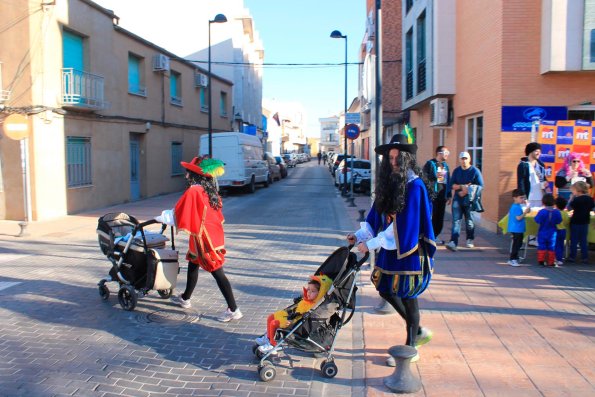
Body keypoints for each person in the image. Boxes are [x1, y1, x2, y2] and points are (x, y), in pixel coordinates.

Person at [346, 132, 435, 365]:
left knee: (408, 297)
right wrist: (358, 237)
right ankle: (417, 330)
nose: (393, 162)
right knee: (386, 290)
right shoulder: (389, 184)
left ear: (407, 159)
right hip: (390, 250)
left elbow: (404, 228)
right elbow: (376, 217)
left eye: (397, 158)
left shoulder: (415, 187)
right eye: (390, 158)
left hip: (409, 251)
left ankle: (411, 347)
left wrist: (371, 244)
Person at [155, 156, 243, 322]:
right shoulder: (208, 189)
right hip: (210, 234)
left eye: (188, 172)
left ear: (194, 174)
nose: (186, 175)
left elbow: (178, 213)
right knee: (193, 263)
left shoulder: (194, 190)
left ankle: (234, 309)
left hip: (205, 238)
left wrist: (161, 217)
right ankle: (186, 298)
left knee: (217, 272)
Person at [255, 275, 333, 354]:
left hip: (296, 323)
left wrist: (291, 319)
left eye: (313, 291)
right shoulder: (306, 301)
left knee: (274, 323)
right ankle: (268, 338)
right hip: (293, 318)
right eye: (308, 289)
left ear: (320, 293)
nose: (309, 292)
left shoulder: (314, 306)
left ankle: (272, 345)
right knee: (271, 317)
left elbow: (302, 315)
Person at [445, 152, 484, 251]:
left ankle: (470, 239)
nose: (464, 160)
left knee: (470, 221)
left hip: (470, 200)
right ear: (459, 160)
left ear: (469, 159)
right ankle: (453, 242)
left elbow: (481, 186)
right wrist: (462, 187)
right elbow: (451, 184)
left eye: (466, 158)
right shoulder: (457, 171)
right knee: (456, 221)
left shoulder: (475, 171)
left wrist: (468, 189)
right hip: (457, 200)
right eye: (462, 158)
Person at [423, 146, 452, 245]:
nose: (447, 154)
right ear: (439, 153)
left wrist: (449, 195)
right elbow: (423, 178)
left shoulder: (445, 166)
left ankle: (435, 235)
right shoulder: (430, 164)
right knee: (432, 217)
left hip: (442, 196)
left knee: (439, 218)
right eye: (446, 152)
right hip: (433, 196)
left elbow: (447, 181)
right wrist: (434, 176)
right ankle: (430, 237)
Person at [566, 181, 595, 264]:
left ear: (578, 190)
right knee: (583, 240)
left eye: (573, 191)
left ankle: (572, 257)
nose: (573, 192)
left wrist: (571, 199)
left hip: (575, 222)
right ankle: (584, 258)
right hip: (585, 222)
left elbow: (569, 208)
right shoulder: (589, 199)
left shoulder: (576, 199)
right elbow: (592, 208)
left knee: (574, 240)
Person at [534, 193, 562, 267]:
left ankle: (541, 261)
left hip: (542, 231)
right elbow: (559, 221)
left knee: (542, 246)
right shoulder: (557, 212)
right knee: (551, 247)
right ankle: (551, 262)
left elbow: (536, 220)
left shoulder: (542, 212)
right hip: (552, 232)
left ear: (543, 202)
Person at [517, 142, 549, 208]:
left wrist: (545, 182)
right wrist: (523, 197)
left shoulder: (541, 165)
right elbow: (520, 182)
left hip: (540, 198)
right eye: (536, 151)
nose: (539, 153)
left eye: (540, 151)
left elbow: (543, 179)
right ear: (530, 151)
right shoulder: (523, 165)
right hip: (528, 198)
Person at [507, 189, 531, 267]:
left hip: (518, 228)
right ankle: (512, 259)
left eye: (523, 198)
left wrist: (527, 206)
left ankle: (515, 257)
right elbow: (518, 218)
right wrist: (525, 213)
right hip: (516, 229)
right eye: (521, 198)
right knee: (517, 244)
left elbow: (528, 211)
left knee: (518, 243)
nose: (522, 199)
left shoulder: (517, 206)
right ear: (515, 198)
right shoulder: (516, 207)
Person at [554, 196, 569, 267]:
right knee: (561, 245)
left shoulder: (555, 212)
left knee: (556, 245)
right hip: (563, 230)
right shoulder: (565, 213)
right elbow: (567, 221)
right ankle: (560, 258)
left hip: (556, 230)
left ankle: (557, 258)